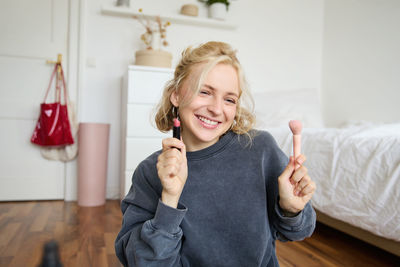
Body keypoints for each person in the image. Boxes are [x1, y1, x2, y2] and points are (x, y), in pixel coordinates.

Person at [115, 41, 316, 267]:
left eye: (229, 99)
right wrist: (169, 201)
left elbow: (300, 231)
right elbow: (143, 262)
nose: (217, 109)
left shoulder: (261, 150)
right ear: (176, 95)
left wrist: (291, 209)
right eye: (205, 92)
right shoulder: (150, 171)